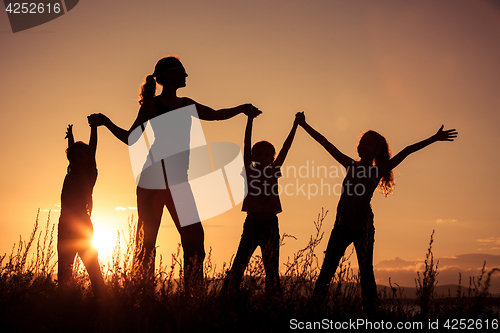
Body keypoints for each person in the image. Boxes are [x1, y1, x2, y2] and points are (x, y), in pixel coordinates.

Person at [88, 56, 261, 292]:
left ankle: (193, 296)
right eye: (182, 71)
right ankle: (140, 296)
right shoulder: (152, 105)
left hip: (179, 181)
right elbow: (132, 139)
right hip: (153, 182)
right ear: (170, 75)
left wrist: (242, 109)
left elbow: (217, 114)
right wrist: (107, 122)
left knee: (195, 241)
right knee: (146, 245)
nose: (186, 76)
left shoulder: (186, 104)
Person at [296, 112, 457, 313]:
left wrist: (434, 138)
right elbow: (325, 143)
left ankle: (371, 314)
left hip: (363, 228)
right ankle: (314, 309)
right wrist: (304, 125)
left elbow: (407, 150)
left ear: (377, 150)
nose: (362, 145)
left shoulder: (375, 171)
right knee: (327, 270)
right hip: (342, 225)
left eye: (368, 144)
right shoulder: (350, 165)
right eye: (361, 141)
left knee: (366, 273)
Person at [222, 112, 302, 296]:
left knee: (271, 267)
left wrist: (295, 126)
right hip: (252, 223)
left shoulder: (274, 170)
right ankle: (225, 296)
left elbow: (286, 149)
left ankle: (274, 299)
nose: (263, 156)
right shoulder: (249, 170)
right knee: (240, 263)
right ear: (252, 156)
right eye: (259, 153)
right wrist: (249, 120)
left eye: (267, 154)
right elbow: (246, 142)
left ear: (272, 158)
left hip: (270, 224)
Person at [58, 124, 105, 297]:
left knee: (92, 267)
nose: (77, 161)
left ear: (87, 159)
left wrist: (94, 128)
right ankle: (64, 304)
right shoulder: (71, 172)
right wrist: (70, 136)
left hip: (82, 225)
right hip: (64, 225)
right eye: (74, 158)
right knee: (64, 269)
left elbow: (92, 151)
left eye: (81, 158)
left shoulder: (88, 173)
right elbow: (71, 153)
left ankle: (102, 301)